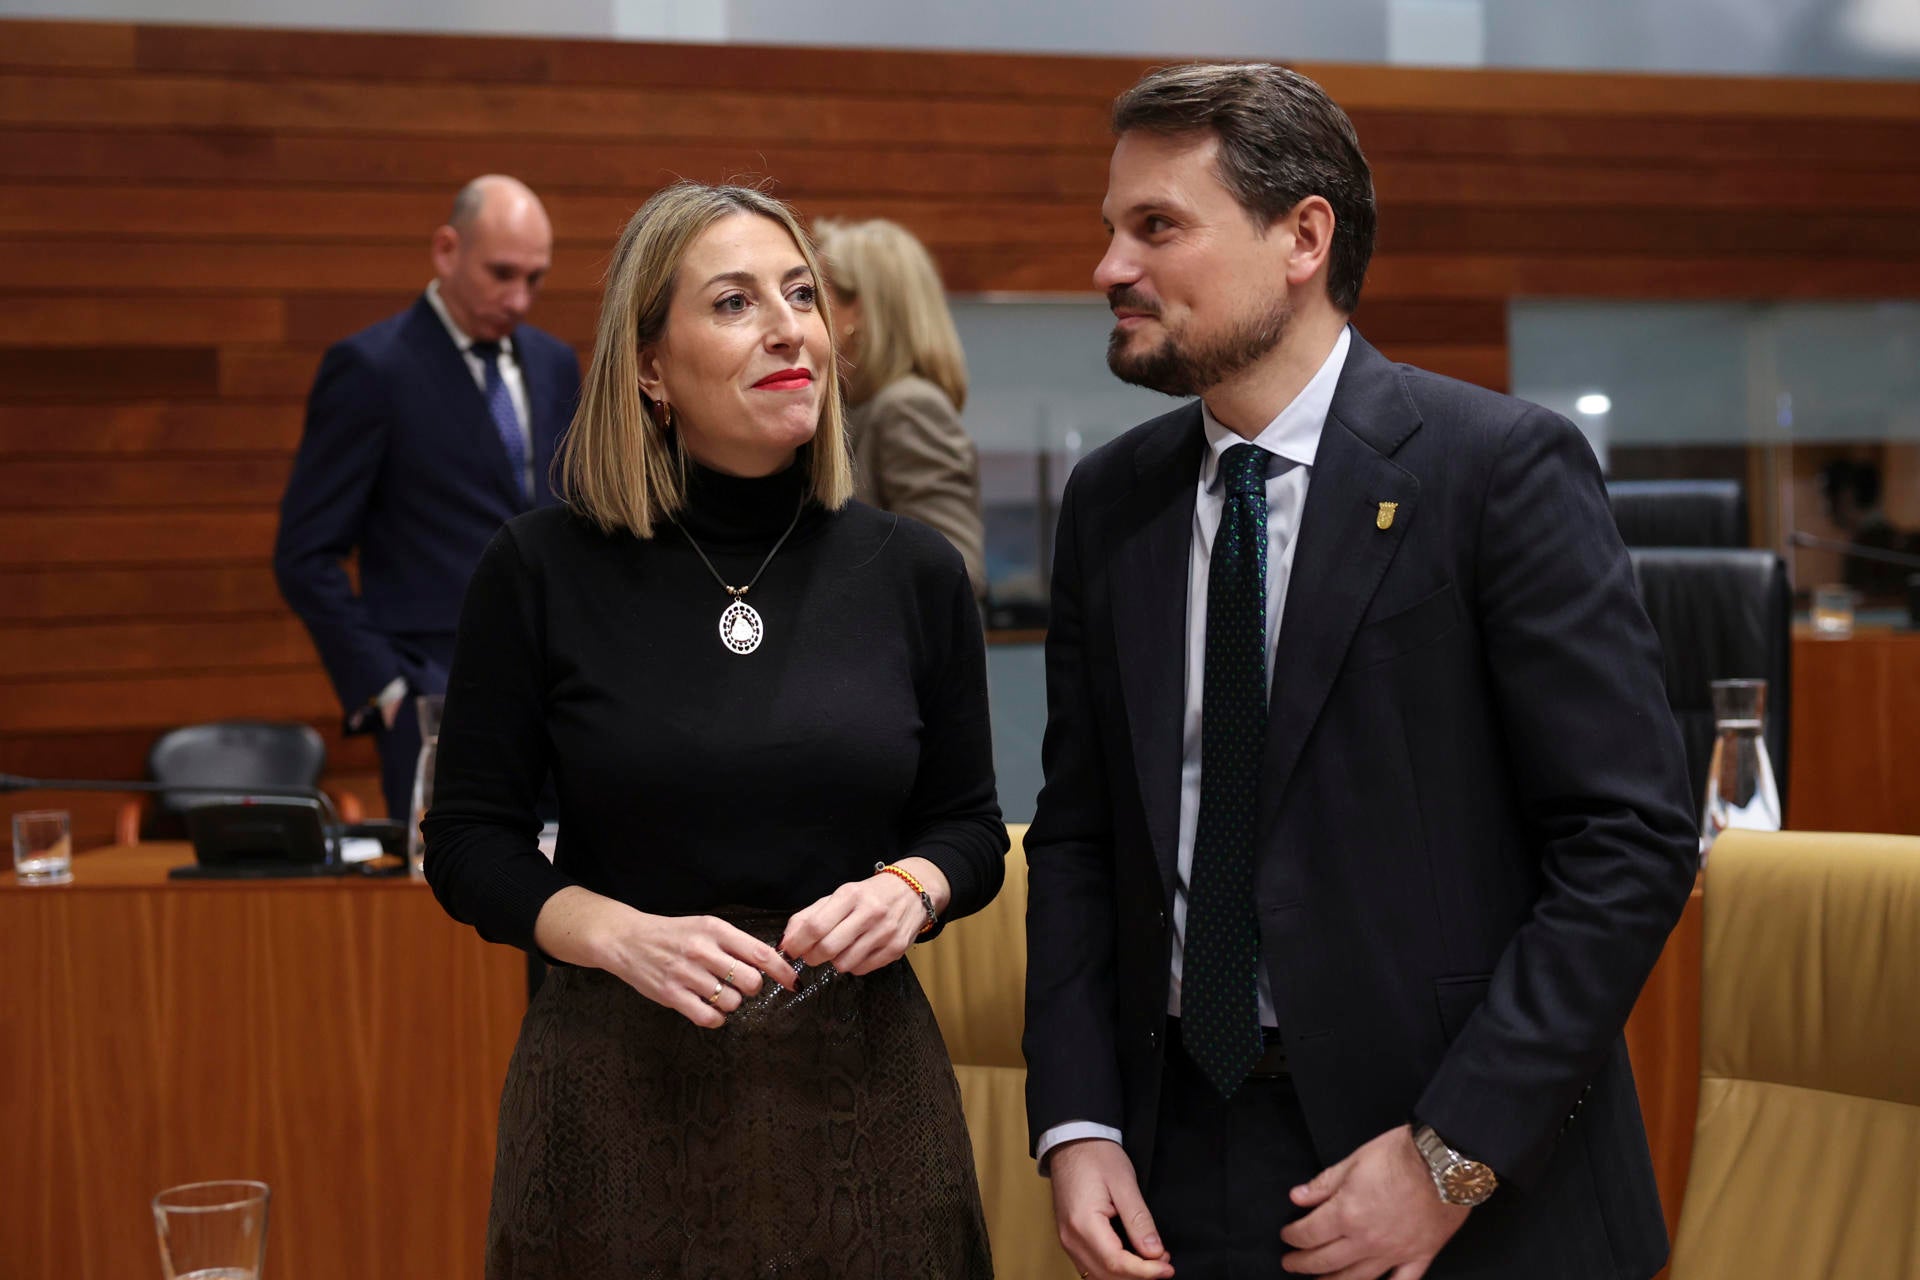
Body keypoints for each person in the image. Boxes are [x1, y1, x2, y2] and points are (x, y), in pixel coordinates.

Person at [1022, 63, 1698, 1280]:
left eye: (1156, 226)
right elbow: (1079, 836)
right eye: (1110, 229)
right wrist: (1079, 1119)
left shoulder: (1497, 471)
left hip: (1464, 1173)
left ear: (1303, 236)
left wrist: (1453, 1153)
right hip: (1175, 1161)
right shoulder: (1111, 503)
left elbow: (1630, 839)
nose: (1109, 268)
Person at [421, 181, 1006, 1278]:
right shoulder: (538, 569)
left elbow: (968, 824)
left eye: (801, 296)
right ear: (649, 366)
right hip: (614, 1089)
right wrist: (609, 930)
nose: (790, 326)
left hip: (860, 1096)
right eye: (735, 302)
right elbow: (466, 844)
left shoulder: (911, 571)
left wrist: (912, 888)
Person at [274, 174, 581, 820]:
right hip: (437, 695)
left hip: (561, 694)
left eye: (535, 278)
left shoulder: (554, 363)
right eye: (502, 273)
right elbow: (305, 555)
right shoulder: (372, 368)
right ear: (446, 250)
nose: (519, 298)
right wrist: (386, 690)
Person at [816, 217, 989, 599]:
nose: (804, 313)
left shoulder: (908, 407)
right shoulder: (853, 408)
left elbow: (953, 567)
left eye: (815, 293)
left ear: (858, 310)